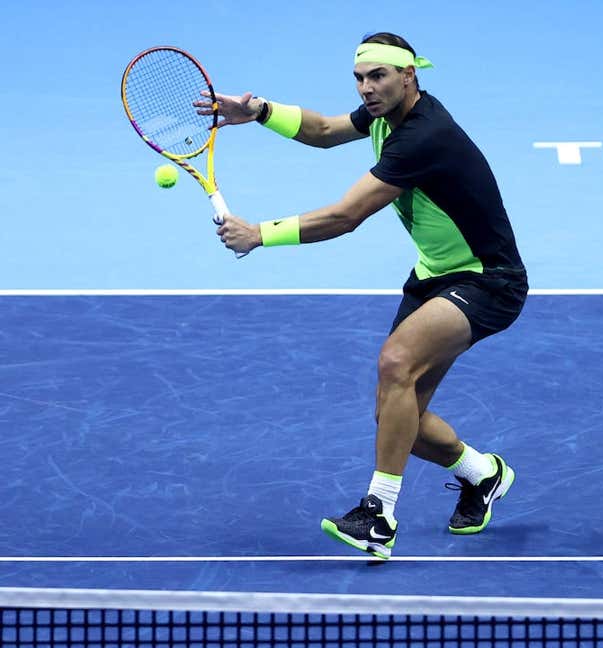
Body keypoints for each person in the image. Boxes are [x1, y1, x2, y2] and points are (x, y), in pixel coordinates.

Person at [199, 32, 526, 559]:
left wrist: (260, 233)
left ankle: (378, 516)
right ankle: (482, 473)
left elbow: (346, 216)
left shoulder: (424, 137)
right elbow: (326, 131)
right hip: (434, 275)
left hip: (489, 280)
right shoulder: (385, 116)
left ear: (408, 76)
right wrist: (258, 111)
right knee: (399, 423)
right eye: (360, 77)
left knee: (396, 362)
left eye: (378, 76)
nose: (367, 87)